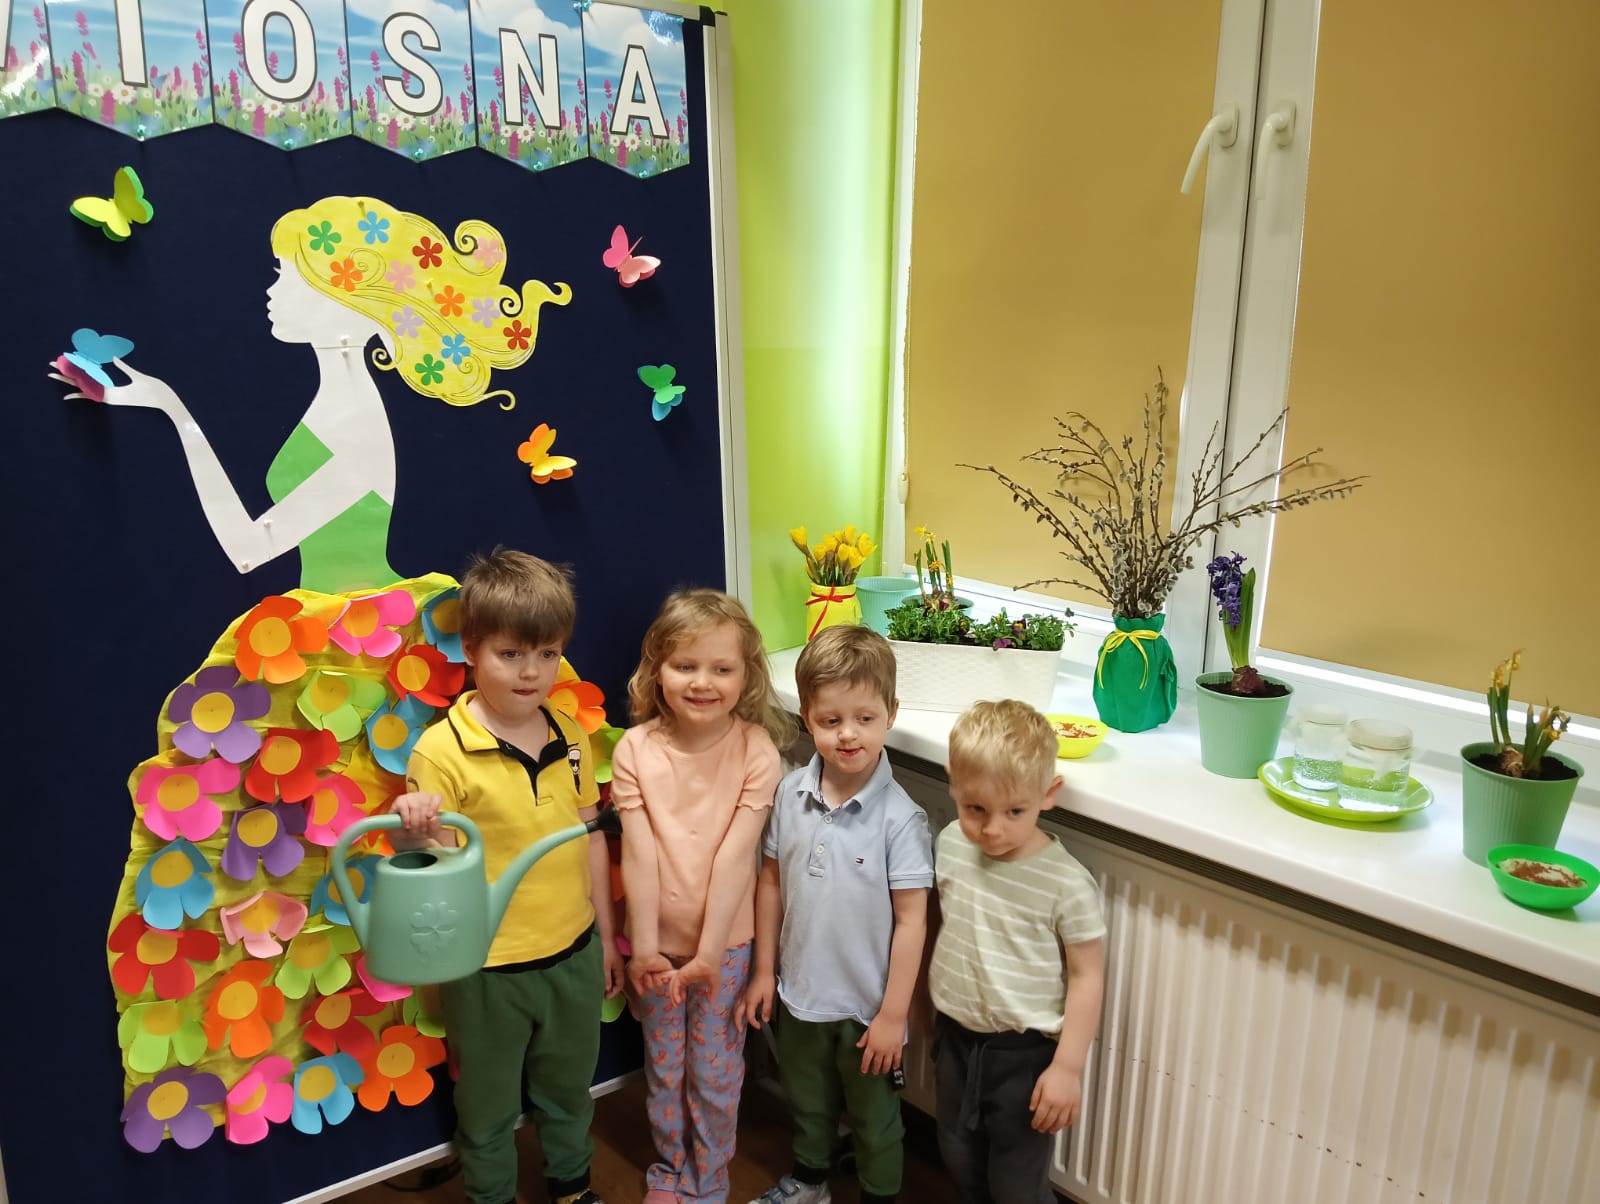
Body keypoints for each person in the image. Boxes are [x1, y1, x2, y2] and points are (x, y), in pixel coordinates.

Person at [391, 549, 622, 1204]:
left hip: (573, 953)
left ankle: (572, 1187)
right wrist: (415, 829)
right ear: (471, 649)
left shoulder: (570, 734)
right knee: (487, 1107)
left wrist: (605, 937)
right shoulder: (440, 751)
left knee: (568, 1090)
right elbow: (436, 868)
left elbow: (590, 838)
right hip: (488, 970)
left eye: (548, 654)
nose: (531, 671)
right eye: (511, 653)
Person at [611, 589, 793, 1204]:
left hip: (727, 951)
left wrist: (711, 955)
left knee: (714, 1072)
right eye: (685, 665)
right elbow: (639, 854)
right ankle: (669, 1168)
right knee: (664, 1068)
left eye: (721, 668)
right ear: (657, 669)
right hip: (655, 953)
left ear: (746, 676)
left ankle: (708, 1177)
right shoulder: (634, 750)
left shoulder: (756, 751)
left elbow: (736, 859)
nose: (702, 682)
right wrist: (643, 949)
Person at [742, 625, 934, 1204]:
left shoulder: (902, 820)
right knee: (808, 1100)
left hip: (867, 1010)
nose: (848, 734)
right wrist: (763, 972)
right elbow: (770, 882)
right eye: (830, 720)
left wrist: (894, 1014)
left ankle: (879, 1193)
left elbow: (913, 922)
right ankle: (810, 1180)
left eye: (864, 718)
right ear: (807, 718)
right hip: (799, 995)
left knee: (875, 1120)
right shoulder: (789, 794)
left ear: (890, 714)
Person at [925, 699, 1106, 1204]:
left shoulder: (1066, 883)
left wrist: (1067, 1068)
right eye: (975, 809)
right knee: (957, 1153)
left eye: (1014, 812)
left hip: (1024, 1055)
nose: (993, 829)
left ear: (1048, 795)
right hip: (955, 1038)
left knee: (1016, 1184)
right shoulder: (950, 845)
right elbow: (941, 924)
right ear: (954, 785)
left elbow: (1088, 976)